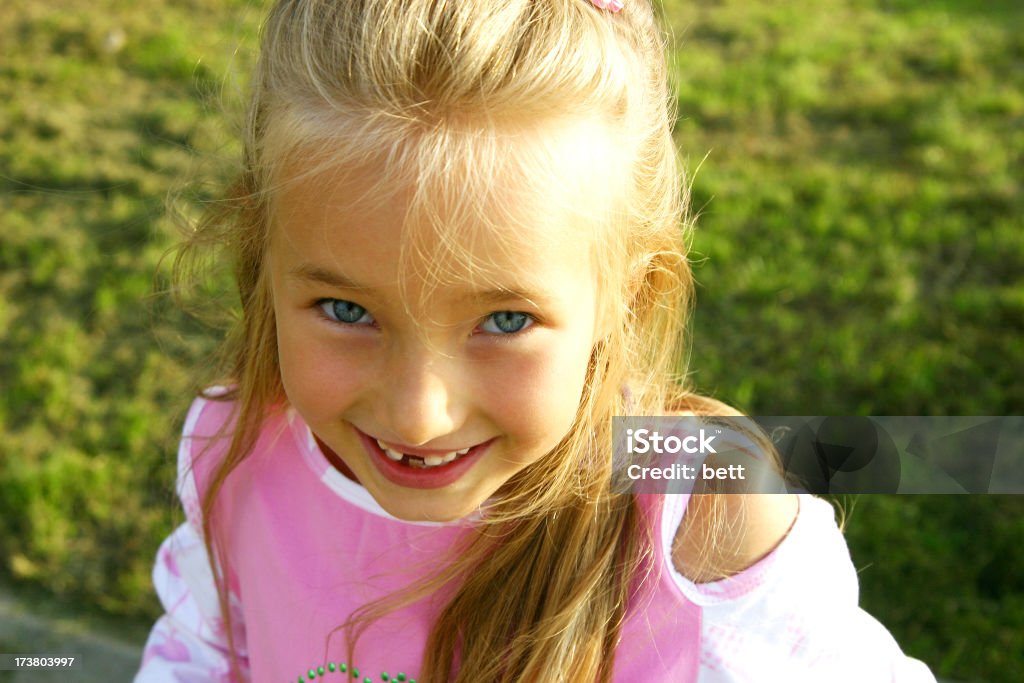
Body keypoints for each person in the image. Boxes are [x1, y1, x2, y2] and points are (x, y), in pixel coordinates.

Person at [135, 1, 937, 681]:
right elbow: (197, 656)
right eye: (346, 310)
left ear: (627, 296)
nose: (418, 414)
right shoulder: (236, 455)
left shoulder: (703, 518)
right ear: (260, 258)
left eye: (505, 321)